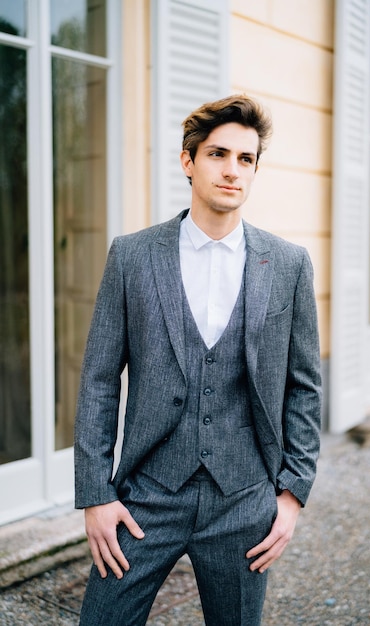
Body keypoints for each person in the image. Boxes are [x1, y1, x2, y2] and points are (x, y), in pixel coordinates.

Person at [74, 94, 322, 626]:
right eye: (217, 154)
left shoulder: (289, 265)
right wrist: (96, 494)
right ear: (188, 161)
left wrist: (292, 493)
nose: (232, 170)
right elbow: (99, 380)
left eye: (246, 159)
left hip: (244, 501)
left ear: (255, 170)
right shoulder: (133, 255)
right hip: (145, 499)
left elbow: (304, 387)